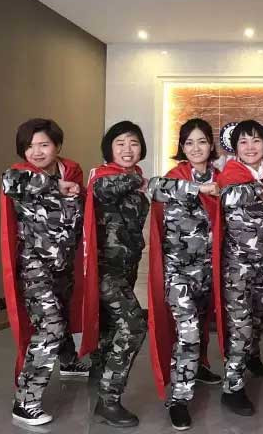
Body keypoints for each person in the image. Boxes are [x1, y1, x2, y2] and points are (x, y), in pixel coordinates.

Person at [1, 118, 85, 426]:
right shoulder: (20, 175)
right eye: (29, 146)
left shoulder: (71, 171)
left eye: (43, 145)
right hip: (34, 266)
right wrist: (54, 186)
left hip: (63, 264)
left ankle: (69, 362)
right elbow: (8, 182)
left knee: (63, 314)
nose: (36, 152)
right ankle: (25, 401)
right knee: (50, 325)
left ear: (57, 146)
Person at [147, 118, 223, 430]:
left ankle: (199, 367)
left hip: (209, 271)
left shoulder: (222, 178)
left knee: (201, 328)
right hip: (178, 273)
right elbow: (152, 188)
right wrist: (198, 189)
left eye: (202, 141)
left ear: (211, 145)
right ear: (182, 147)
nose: (196, 148)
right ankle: (179, 399)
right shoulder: (174, 177)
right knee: (188, 332)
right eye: (189, 142)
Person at [80, 121, 149, 428]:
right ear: (109, 149)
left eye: (133, 143)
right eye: (120, 143)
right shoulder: (104, 178)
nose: (127, 149)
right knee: (134, 326)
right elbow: (108, 188)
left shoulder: (135, 182)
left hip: (125, 269)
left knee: (110, 328)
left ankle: (99, 373)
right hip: (104, 271)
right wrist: (140, 179)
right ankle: (108, 400)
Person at [216, 120, 263, 416]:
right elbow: (227, 197)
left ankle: (252, 356)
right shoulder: (232, 172)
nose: (250, 147)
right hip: (237, 265)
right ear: (235, 148)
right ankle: (232, 389)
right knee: (240, 325)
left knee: (257, 314)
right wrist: (260, 190)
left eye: (256, 141)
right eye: (243, 142)